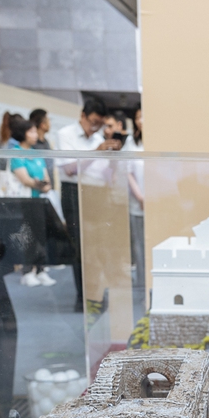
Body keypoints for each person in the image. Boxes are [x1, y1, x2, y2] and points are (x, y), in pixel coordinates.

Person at [55, 98, 119, 311]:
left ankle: (96, 293)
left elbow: (107, 174)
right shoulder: (66, 134)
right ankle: (83, 297)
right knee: (80, 246)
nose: (95, 127)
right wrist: (97, 151)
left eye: (99, 124)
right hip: (75, 192)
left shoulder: (99, 138)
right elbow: (69, 169)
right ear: (82, 116)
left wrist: (113, 158)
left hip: (98, 192)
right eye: (93, 122)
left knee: (100, 246)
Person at [8, 115, 56, 288]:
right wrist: (39, 184)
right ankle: (27, 271)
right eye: (32, 132)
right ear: (23, 133)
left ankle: (40, 270)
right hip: (23, 203)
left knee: (41, 236)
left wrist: (43, 185)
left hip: (38, 201)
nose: (35, 135)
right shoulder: (16, 153)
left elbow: (46, 179)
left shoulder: (36, 153)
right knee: (27, 237)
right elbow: (25, 179)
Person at [125, 108, 146, 307]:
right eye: (139, 117)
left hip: (159, 203)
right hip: (138, 203)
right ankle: (142, 289)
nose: (142, 120)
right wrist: (140, 196)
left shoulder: (161, 139)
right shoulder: (132, 143)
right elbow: (128, 172)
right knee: (139, 248)